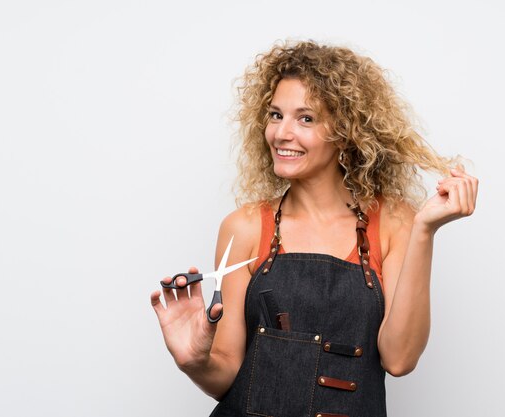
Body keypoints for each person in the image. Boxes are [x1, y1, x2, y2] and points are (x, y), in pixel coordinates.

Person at [150, 40, 479, 416]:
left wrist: (425, 231)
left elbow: (399, 359)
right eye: (276, 115)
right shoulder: (243, 227)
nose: (281, 133)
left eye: (305, 118)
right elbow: (227, 371)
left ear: (345, 131)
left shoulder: (393, 222)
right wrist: (194, 360)